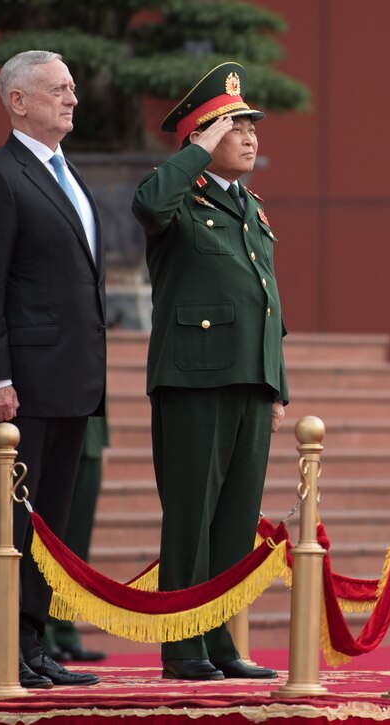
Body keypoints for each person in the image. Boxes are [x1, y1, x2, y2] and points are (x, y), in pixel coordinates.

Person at [0, 49, 105, 689]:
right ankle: (5, 649)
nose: (72, 98)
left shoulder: (68, 175)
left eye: (73, 88)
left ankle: (36, 644)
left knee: (51, 525)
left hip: (71, 381)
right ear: (19, 101)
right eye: (58, 89)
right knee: (11, 523)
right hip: (21, 389)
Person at [132, 61, 287, 681]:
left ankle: (220, 643)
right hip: (193, 379)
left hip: (250, 380)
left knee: (233, 524)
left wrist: (278, 384)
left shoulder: (249, 205)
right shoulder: (175, 195)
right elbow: (146, 205)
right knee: (192, 518)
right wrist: (194, 151)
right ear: (201, 137)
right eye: (235, 127)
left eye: (252, 127)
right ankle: (182, 648)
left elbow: (268, 297)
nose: (251, 137)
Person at [45, 415, 108, 663]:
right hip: (55, 428)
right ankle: (41, 630)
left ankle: (64, 628)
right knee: (48, 544)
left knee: (76, 547)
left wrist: (102, 441)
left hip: (90, 438)